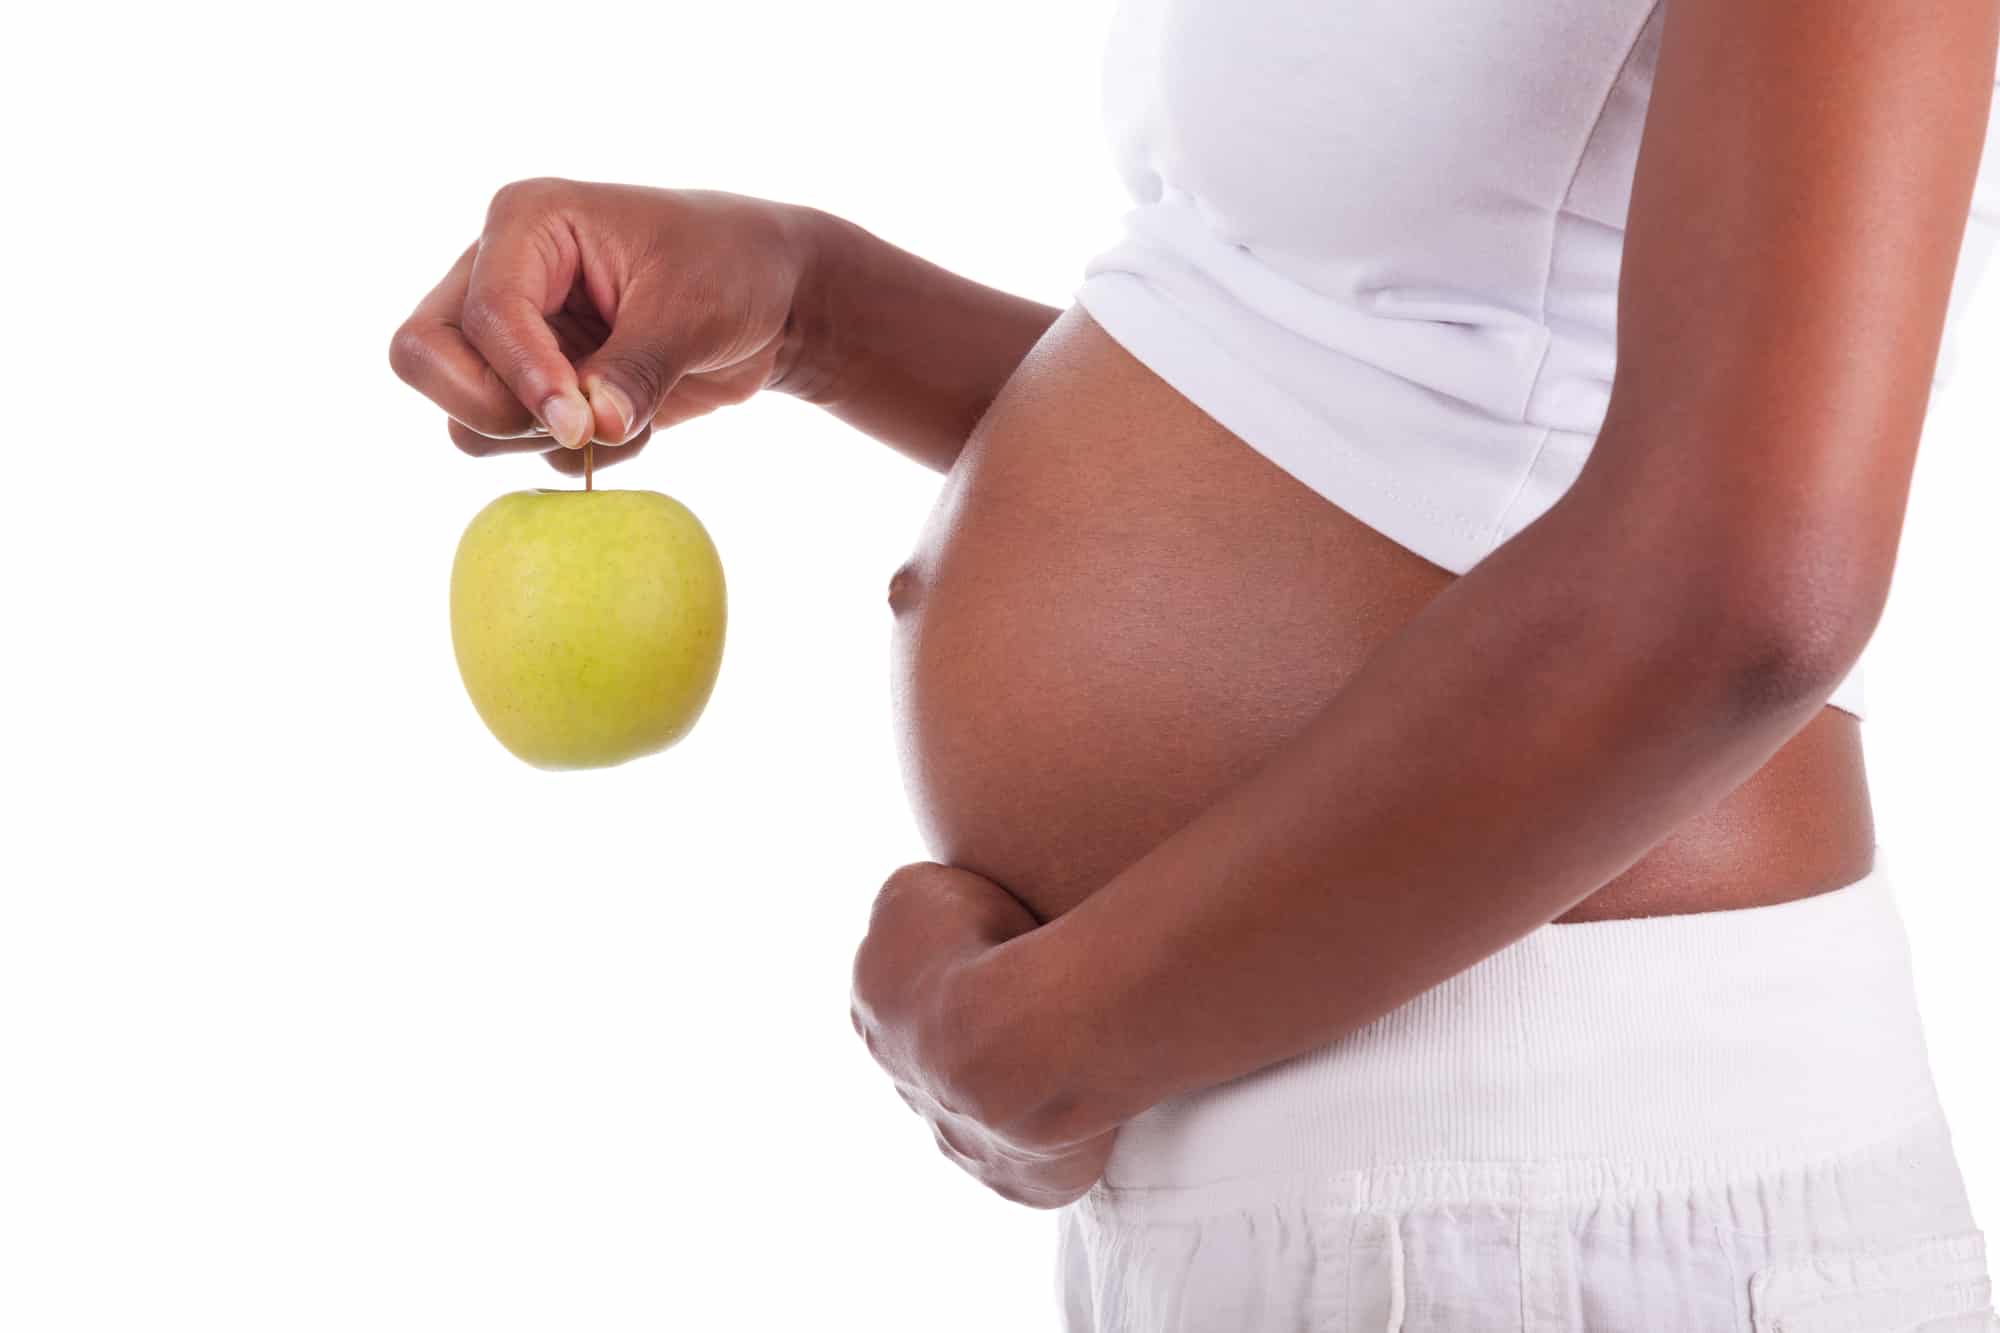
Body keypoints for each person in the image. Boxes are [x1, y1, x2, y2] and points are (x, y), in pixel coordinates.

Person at [389, 0, 2000, 1325]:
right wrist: (819, 304)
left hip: (1558, 1167)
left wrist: (1050, 1035)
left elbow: (1743, 587)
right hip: (1315, 1157)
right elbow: (1330, 399)